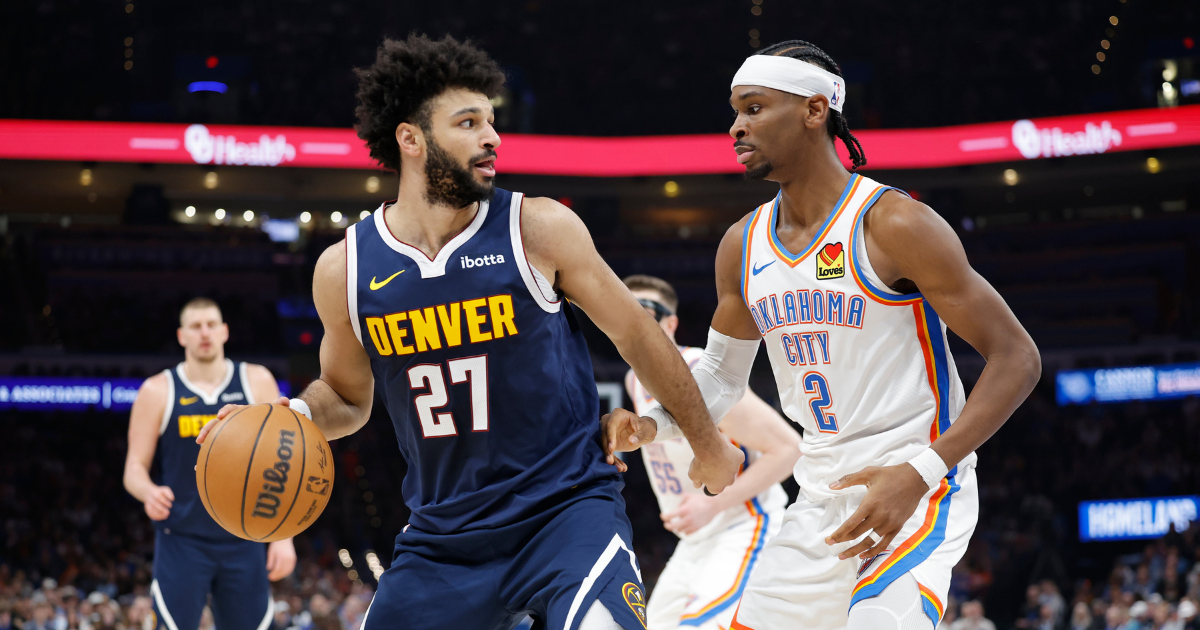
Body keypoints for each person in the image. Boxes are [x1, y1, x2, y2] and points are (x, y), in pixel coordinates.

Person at [202, 34, 742, 630]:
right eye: (468, 122)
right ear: (411, 139)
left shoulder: (536, 228)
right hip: (442, 538)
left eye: (492, 120)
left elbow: (639, 336)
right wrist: (291, 417)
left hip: (564, 514)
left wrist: (708, 443)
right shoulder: (346, 269)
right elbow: (347, 399)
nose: (493, 138)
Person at [604, 39, 1040, 630]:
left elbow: (1017, 357)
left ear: (814, 111)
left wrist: (923, 472)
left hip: (915, 486)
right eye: (734, 110)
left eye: (754, 108)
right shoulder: (743, 243)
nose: (736, 126)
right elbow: (720, 375)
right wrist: (655, 424)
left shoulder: (893, 222)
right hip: (817, 496)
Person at [621, 275, 800, 630]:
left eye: (647, 312)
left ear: (671, 323)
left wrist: (713, 504)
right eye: (625, 311)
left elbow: (789, 449)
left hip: (745, 524)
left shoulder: (700, 373)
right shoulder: (632, 379)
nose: (635, 321)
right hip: (695, 541)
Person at [124, 297, 296, 630]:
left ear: (224, 331)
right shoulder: (158, 390)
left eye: (211, 324)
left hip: (245, 538)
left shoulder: (256, 381)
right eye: (195, 326)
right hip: (182, 539)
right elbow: (133, 468)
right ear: (181, 336)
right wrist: (148, 492)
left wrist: (283, 536)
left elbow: (283, 463)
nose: (204, 332)